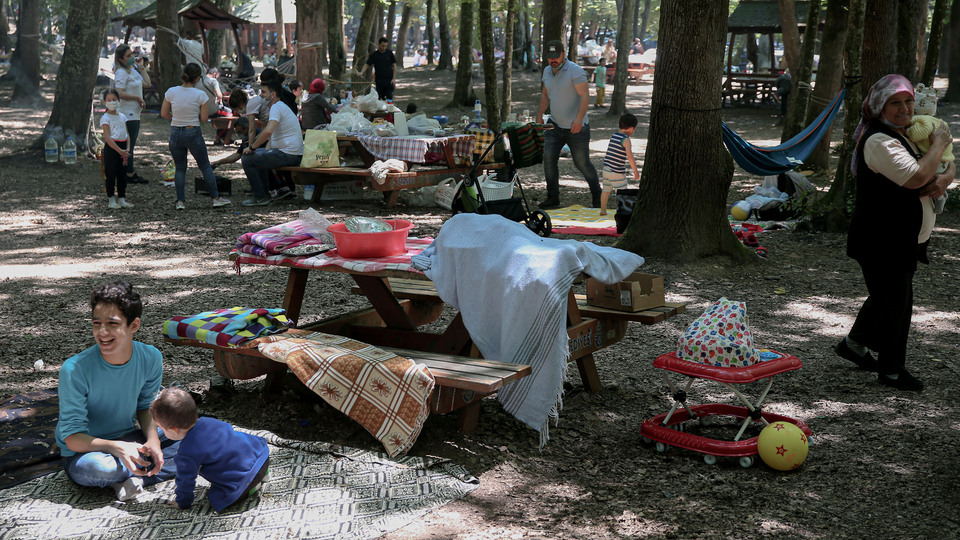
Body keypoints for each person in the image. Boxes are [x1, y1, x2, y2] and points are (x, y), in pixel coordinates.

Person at [836, 74, 955, 392]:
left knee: (889, 297)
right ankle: (890, 369)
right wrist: (940, 144)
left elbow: (945, 167)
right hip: (881, 239)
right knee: (895, 303)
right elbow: (917, 177)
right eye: (895, 102)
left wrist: (943, 179)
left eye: (908, 101)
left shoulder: (907, 133)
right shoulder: (879, 140)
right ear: (879, 107)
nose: (904, 108)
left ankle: (854, 345)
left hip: (901, 237)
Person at [55, 281, 181, 502]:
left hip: (130, 437)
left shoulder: (151, 358)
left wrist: (153, 440)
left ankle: (133, 476)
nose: (102, 332)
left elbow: (145, 407)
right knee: (100, 469)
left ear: (134, 325)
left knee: (195, 436)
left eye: (112, 324)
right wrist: (117, 448)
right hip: (87, 451)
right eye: (96, 324)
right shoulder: (74, 369)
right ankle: (136, 473)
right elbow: (73, 439)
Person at [150, 387, 270, 512]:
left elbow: (185, 481)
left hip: (246, 478)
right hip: (262, 455)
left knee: (216, 497)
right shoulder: (207, 420)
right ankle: (264, 474)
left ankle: (252, 488)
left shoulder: (186, 452)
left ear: (174, 430)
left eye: (162, 429)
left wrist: (182, 502)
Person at [536, 40, 602, 209]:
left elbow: (585, 96)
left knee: (582, 163)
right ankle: (553, 197)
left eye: (556, 57)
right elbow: (545, 95)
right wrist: (539, 114)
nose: (553, 60)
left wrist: (579, 119)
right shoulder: (547, 71)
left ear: (563, 54)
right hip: (554, 125)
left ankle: (597, 195)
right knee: (549, 159)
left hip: (576, 128)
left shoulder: (575, 71)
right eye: (550, 57)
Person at [161, 63, 231, 210]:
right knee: (205, 166)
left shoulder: (171, 92)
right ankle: (216, 198)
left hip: (175, 131)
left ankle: (180, 201)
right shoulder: (201, 95)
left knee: (180, 168)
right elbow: (204, 118)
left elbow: (164, 114)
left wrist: (175, 117)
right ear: (198, 78)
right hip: (193, 131)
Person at [240, 79, 304, 206]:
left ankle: (260, 196)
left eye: (263, 92)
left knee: (247, 159)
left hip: (289, 154)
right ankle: (265, 193)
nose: (261, 96)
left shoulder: (276, 107)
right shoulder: (279, 107)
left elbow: (268, 132)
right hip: (289, 153)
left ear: (272, 94)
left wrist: (252, 147)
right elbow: (272, 137)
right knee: (257, 156)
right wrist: (261, 151)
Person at [113, 43, 151, 185]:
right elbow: (120, 93)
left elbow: (147, 83)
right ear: (121, 59)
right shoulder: (121, 73)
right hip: (126, 113)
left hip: (135, 113)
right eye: (128, 56)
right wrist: (137, 98)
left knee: (131, 144)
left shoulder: (133, 70)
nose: (132, 57)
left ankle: (126, 171)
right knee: (129, 145)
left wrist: (141, 68)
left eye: (131, 54)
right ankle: (129, 173)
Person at [599, 113, 640, 216]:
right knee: (622, 193)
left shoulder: (614, 135)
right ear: (631, 128)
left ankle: (603, 210)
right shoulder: (625, 140)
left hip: (606, 169)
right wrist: (635, 171)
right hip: (617, 171)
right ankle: (622, 213)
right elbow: (630, 157)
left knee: (606, 190)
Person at [100, 90, 133, 209]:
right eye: (109, 100)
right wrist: (119, 151)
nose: (112, 102)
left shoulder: (122, 116)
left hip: (124, 148)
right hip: (112, 149)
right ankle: (111, 199)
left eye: (114, 99)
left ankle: (122, 198)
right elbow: (107, 137)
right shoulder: (105, 118)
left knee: (122, 174)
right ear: (104, 102)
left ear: (119, 100)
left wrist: (127, 149)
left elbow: (127, 134)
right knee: (111, 174)